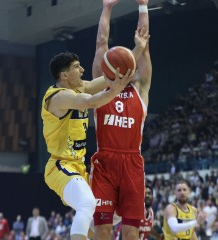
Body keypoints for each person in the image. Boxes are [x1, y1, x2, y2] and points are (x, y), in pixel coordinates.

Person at [42, 49, 134, 240]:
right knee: (87, 202)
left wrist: (136, 52)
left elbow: (106, 78)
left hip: (78, 167)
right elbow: (92, 101)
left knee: (111, 209)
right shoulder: (59, 97)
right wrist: (115, 90)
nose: (83, 69)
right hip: (60, 166)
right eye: (77, 67)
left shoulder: (79, 88)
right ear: (64, 75)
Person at [90, 0, 151, 239]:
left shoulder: (141, 89)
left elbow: (144, 44)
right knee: (102, 230)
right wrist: (106, 8)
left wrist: (143, 6)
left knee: (131, 233)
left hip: (132, 163)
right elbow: (100, 43)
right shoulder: (100, 88)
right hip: (105, 162)